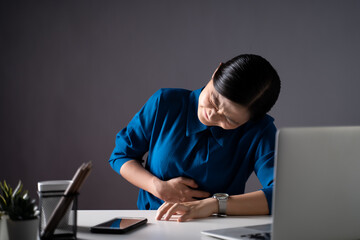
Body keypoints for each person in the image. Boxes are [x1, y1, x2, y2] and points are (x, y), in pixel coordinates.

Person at [109, 54, 281, 222]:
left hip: (219, 228)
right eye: (214, 100)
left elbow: (281, 194)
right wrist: (157, 187)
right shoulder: (165, 102)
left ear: (250, 120)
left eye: (229, 119)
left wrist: (214, 205)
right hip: (154, 223)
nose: (212, 115)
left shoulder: (259, 130)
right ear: (216, 72)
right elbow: (122, 155)